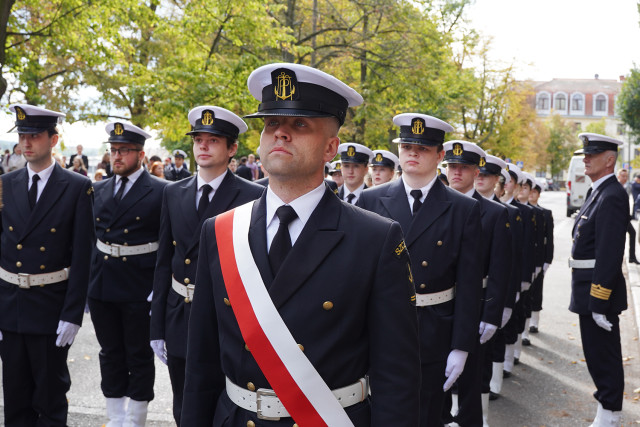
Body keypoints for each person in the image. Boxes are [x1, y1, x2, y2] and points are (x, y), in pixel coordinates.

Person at [183, 63, 420, 426]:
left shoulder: (376, 238)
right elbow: (200, 362)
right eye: (271, 123)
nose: (280, 133)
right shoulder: (220, 230)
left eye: (299, 124)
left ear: (330, 148)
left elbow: (397, 374)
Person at [357, 113, 482, 427]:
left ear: (440, 155)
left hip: (433, 330)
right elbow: (356, 275)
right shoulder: (370, 200)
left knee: (426, 415)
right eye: (407, 145)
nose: (412, 152)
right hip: (381, 326)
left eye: (423, 148)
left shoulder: (463, 208)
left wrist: (461, 346)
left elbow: (468, 284)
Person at [150, 106, 264, 426]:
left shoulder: (253, 196)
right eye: (198, 139)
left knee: (225, 402)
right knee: (183, 404)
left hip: (226, 316)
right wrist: (157, 325)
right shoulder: (173, 192)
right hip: (180, 314)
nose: (202, 146)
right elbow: (163, 264)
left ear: (232, 148)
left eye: (213, 140)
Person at [0, 104, 95, 426]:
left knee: (50, 397)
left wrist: (73, 314)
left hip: (50, 307)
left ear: (54, 139)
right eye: (23, 136)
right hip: (10, 305)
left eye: (35, 136)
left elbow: (83, 256)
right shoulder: (6, 183)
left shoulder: (76, 187)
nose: (26, 143)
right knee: (14, 398)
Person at [87, 121, 167, 426]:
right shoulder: (99, 188)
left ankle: (135, 418)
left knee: (138, 354)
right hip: (103, 283)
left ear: (141, 154)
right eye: (113, 150)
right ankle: (115, 415)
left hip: (139, 283)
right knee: (109, 352)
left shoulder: (161, 190)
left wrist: (157, 288)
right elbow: (90, 237)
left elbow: (166, 245)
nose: (116, 156)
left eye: (124, 150)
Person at [442, 141, 511, 427]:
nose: (456, 173)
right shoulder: (434, 206)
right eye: (451, 166)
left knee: (471, 378)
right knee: (436, 381)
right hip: (438, 307)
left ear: (476, 171)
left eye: (464, 167)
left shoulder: (494, 213)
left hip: (476, 306)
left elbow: (499, 269)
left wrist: (492, 315)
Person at [570, 133, 627, 426]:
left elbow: (609, 252)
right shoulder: (598, 191)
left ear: (610, 159)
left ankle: (610, 415)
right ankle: (605, 411)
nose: (585, 158)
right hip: (586, 287)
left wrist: (599, 299)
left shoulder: (613, 195)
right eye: (584, 154)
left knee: (603, 355)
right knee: (595, 353)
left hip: (596, 290)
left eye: (592, 154)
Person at [475, 156, 522, 402]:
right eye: (478, 173)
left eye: (486, 175)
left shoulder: (504, 213)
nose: (480, 178)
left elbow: (508, 264)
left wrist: (504, 303)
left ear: (496, 181)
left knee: (483, 355)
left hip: (486, 295)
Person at [528, 178, 555, 334]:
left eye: (534, 192)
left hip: (538, 258)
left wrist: (547, 260)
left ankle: (534, 322)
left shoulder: (545, 213)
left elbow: (549, 240)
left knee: (537, 291)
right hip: (526, 260)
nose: (531, 195)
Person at [617, 169, 639, 263]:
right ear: (618, 176)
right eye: (623, 176)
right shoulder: (617, 187)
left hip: (624, 218)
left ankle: (632, 257)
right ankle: (628, 258)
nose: (625, 178)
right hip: (619, 219)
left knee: (632, 233)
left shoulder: (625, 187)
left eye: (626, 176)